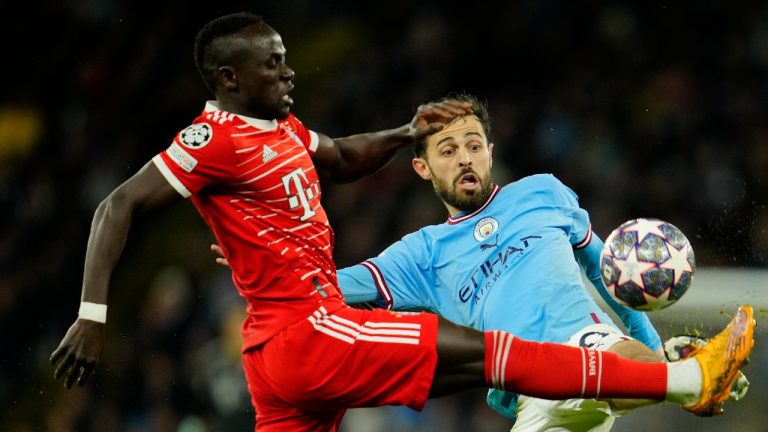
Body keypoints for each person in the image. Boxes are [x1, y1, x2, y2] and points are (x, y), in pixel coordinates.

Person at [50, 12, 755, 431]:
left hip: (578, 352)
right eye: (446, 150)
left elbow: (613, 277)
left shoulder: (542, 191)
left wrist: (402, 130)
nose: (466, 158)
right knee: (483, 350)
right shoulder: (414, 253)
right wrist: (103, 308)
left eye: (474, 142)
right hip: (480, 378)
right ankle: (685, 377)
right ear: (425, 172)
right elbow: (122, 205)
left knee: (592, 342)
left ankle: (674, 369)